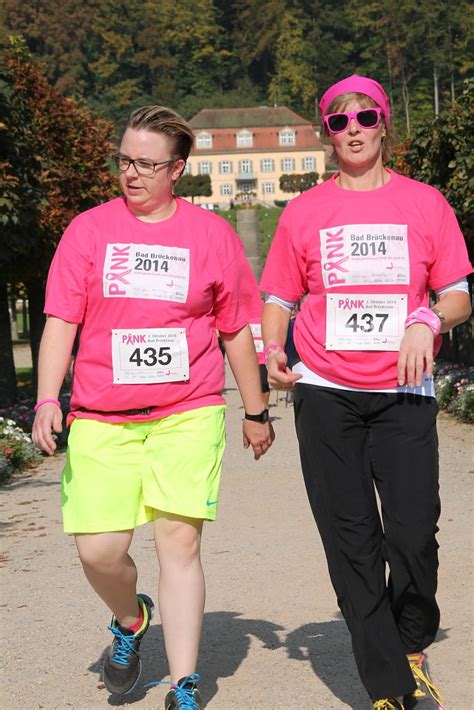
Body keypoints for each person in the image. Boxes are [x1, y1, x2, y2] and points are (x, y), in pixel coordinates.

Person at [32, 105, 274, 710]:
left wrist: (255, 408)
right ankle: (131, 617)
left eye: (145, 163)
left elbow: (236, 329)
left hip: (186, 412)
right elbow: (62, 319)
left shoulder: (211, 235)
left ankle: (184, 682)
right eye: (123, 161)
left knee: (179, 544)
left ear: (178, 169)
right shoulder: (87, 231)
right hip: (100, 417)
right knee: (99, 550)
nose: (130, 173)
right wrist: (45, 397)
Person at [260, 74, 472, 710]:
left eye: (365, 117)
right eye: (338, 120)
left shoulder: (426, 204)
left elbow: (458, 292)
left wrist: (427, 318)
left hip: (405, 391)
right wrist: (274, 349)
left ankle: (411, 642)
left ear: (384, 125)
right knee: (350, 538)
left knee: (413, 533)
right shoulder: (305, 211)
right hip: (326, 391)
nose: (352, 129)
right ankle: (389, 686)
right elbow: (278, 297)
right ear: (328, 134)